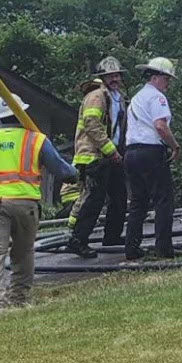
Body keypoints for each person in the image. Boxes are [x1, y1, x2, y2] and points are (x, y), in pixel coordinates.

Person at [0, 96, 78, 312]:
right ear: (21, 112)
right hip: (26, 204)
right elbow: (63, 171)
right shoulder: (36, 140)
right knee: (23, 252)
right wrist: (75, 174)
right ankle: (19, 298)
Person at [65, 56, 128, 259]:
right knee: (94, 199)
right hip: (94, 157)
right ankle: (78, 239)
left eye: (117, 75)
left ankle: (112, 236)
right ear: (103, 77)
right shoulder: (96, 96)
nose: (114, 79)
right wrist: (111, 150)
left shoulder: (118, 97)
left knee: (119, 197)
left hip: (113, 155)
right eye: (110, 76)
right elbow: (92, 124)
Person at [123, 57, 182, 262]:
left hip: (131, 152)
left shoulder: (136, 99)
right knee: (163, 199)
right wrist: (174, 145)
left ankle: (131, 248)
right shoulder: (157, 98)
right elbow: (160, 126)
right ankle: (164, 248)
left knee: (138, 201)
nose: (168, 84)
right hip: (151, 151)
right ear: (157, 77)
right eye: (167, 79)